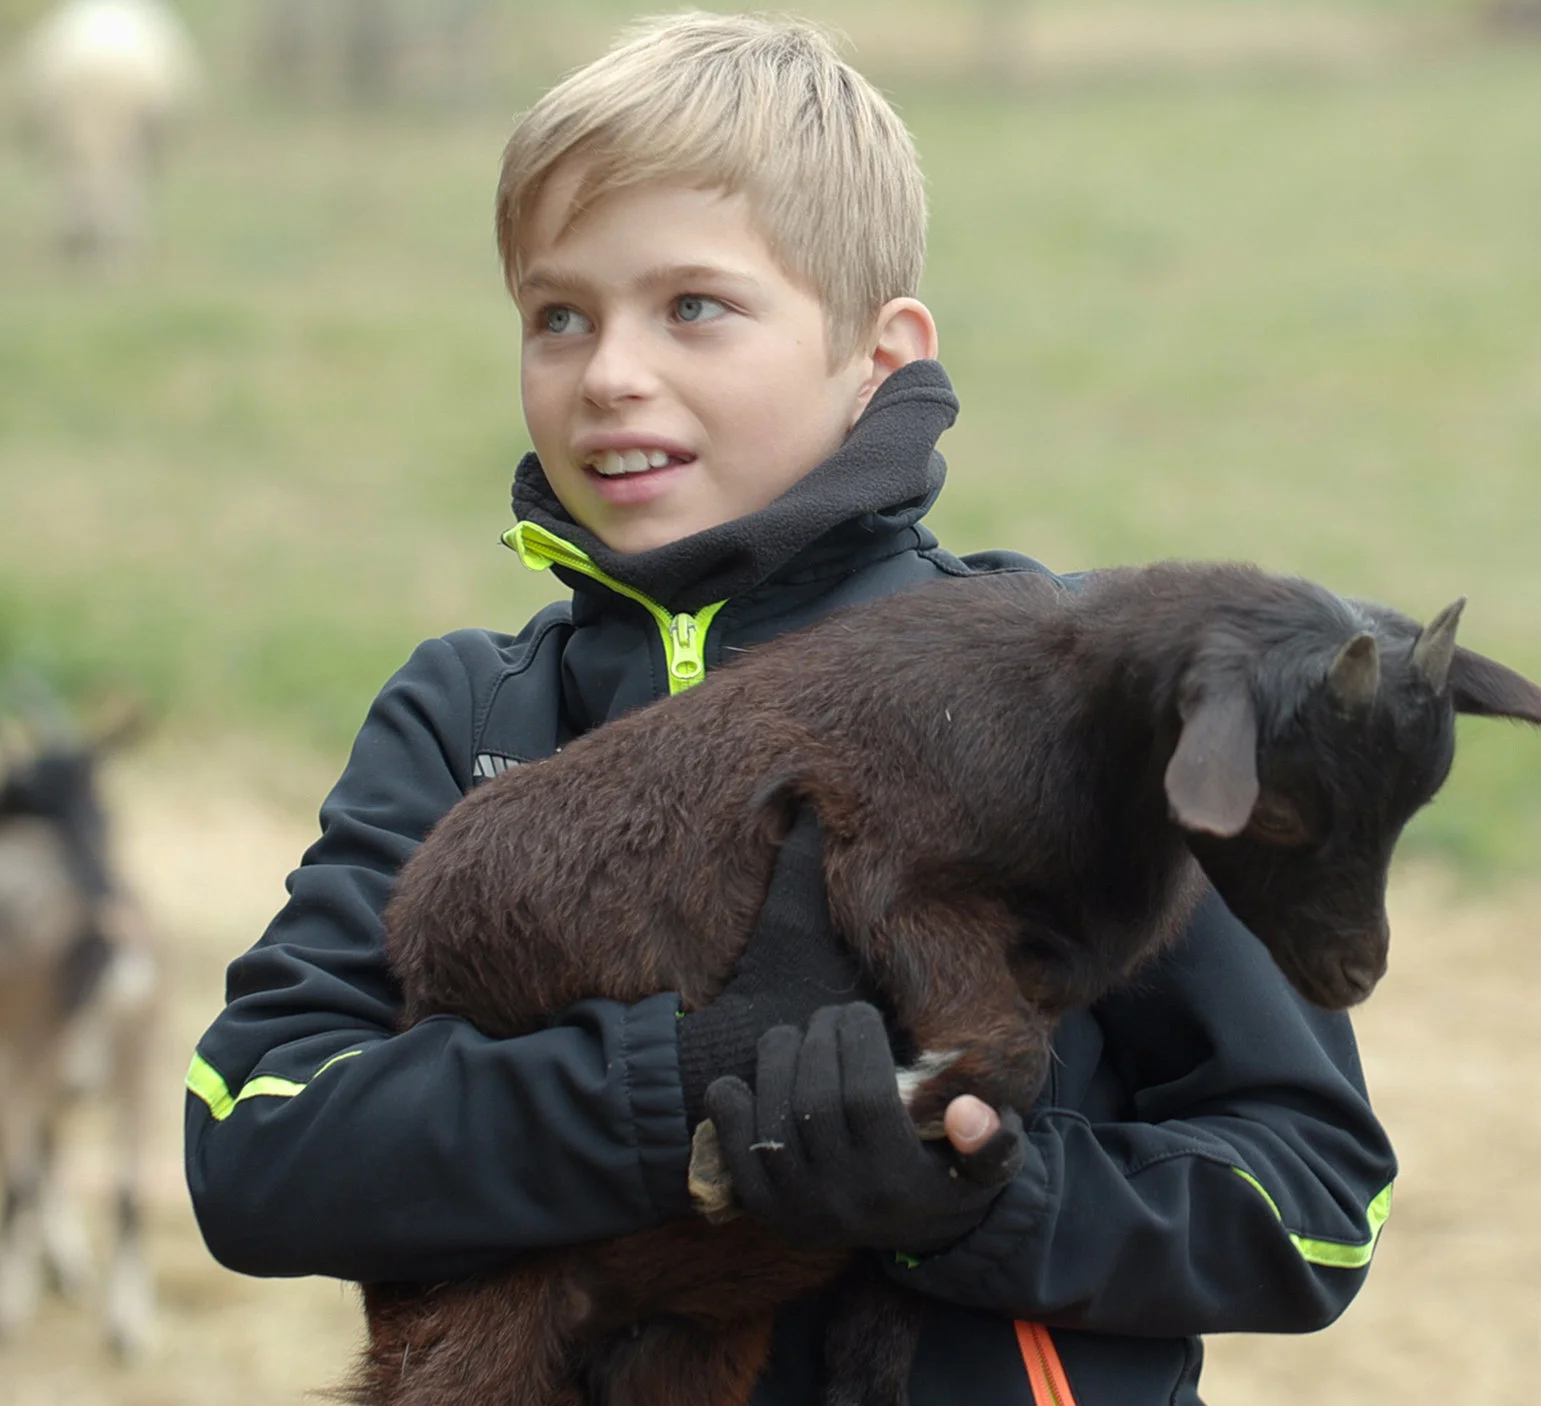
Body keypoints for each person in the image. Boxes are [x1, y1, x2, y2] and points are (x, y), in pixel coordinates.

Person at [185, 14, 1396, 1403]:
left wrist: (981, 1205)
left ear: (882, 351)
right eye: (557, 314)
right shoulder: (468, 712)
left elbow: (1319, 1203)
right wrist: (668, 1085)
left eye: (694, 306)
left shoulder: (1103, 704)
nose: (610, 373)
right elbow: (256, 1144)